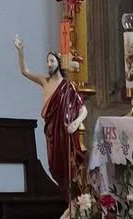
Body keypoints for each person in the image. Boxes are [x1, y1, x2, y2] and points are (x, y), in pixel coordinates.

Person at [13, 36, 87, 199]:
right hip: (52, 131)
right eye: (48, 61)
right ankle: (68, 201)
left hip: (66, 131)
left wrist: (76, 123)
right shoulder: (45, 81)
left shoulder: (68, 86)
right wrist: (20, 51)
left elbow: (84, 109)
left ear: (58, 63)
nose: (49, 64)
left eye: (52, 61)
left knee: (70, 166)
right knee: (55, 166)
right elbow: (25, 71)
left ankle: (74, 202)